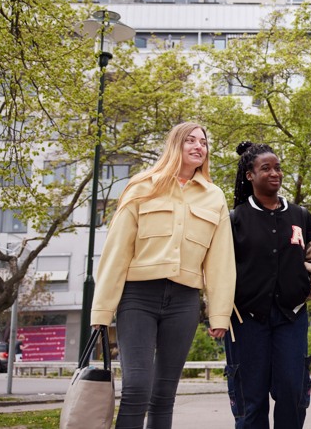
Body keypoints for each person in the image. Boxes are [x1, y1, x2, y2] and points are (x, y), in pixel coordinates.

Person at [91, 122, 236, 429]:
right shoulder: (142, 186)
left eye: (203, 142)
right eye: (191, 141)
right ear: (175, 145)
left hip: (184, 301)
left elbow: (221, 261)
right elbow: (117, 251)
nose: (199, 146)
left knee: (164, 393)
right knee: (137, 388)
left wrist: (219, 314)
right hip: (138, 297)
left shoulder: (214, 197)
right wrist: (102, 309)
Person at [224, 142, 311, 428]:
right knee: (251, 399)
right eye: (266, 168)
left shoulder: (301, 216)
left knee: (293, 393)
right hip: (246, 320)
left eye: (278, 167)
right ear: (249, 175)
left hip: (291, 318)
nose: (275, 173)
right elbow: (221, 269)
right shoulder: (234, 220)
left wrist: (307, 286)